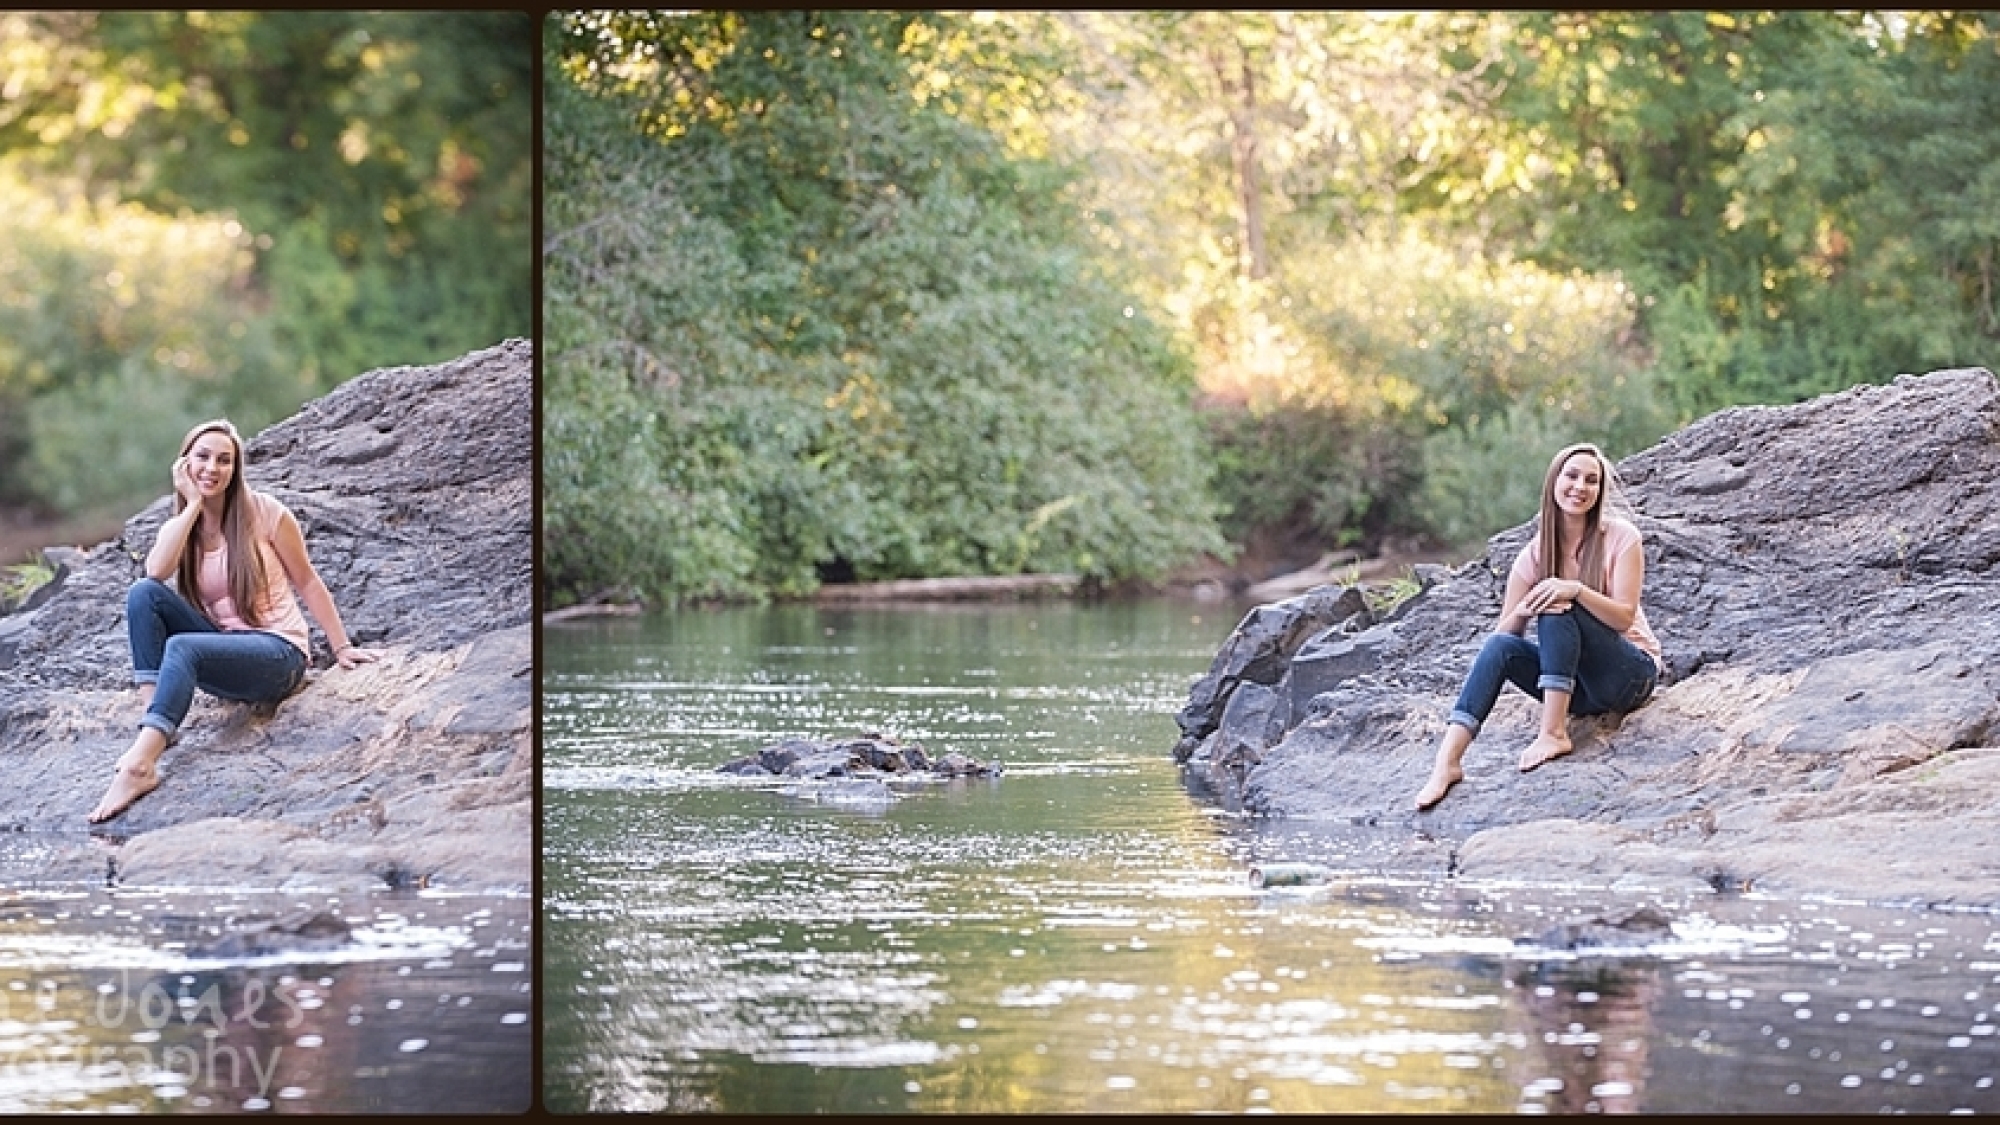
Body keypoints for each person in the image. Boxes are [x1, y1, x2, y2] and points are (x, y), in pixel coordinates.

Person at [88, 419, 379, 824]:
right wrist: (191, 506)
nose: (212, 468)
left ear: (235, 469)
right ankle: (155, 728)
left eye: (224, 461)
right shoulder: (184, 525)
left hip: (278, 655)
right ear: (184, 464)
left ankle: (140, 765)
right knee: (143, 594)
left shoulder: (266, 513)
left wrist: (342, 647)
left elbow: (308, 581)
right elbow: (155, 572)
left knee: (182, 647)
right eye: (203, 457)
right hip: (225, 651)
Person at [1414, 442, 1662, 810]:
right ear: (1553, 482)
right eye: (1572, 476)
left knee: (1560, 601)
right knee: (1499, 646)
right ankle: (1447, 762)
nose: (1580, 487)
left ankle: (1553, 733)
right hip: (1580, 693)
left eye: (1591, 481)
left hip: (1629, 675)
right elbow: (1505, 638)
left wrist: (1574, 590)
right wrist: (1528, 607)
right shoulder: (1532, 556)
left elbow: (1624, 616)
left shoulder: (1622, 537)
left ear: (1599, 492)